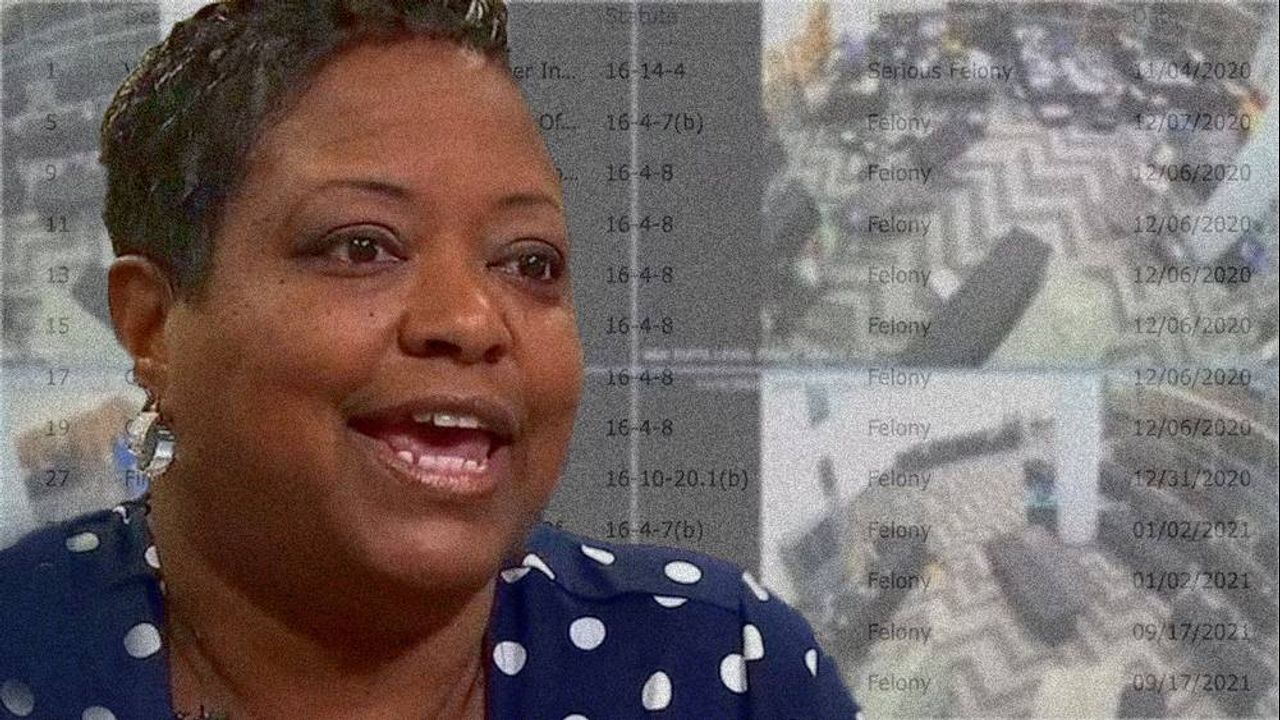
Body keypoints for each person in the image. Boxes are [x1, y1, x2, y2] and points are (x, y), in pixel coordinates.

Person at [0, 1, 864, 718]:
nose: (471, 319)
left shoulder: (726, 671)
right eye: (361, 247)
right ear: (153, 327)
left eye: (530, 263)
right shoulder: (24, 653)